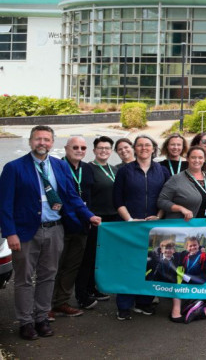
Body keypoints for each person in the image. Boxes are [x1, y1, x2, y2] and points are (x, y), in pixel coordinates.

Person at [0, 126, 100, 341]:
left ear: (52, 143)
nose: (42, 143)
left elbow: (71, 196)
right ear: (30, 141)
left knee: (48, 276)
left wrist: (88, 215)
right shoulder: (13, 168)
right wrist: (10, 233)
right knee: (24, 280)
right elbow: (4, 204)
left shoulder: (59, 166)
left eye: (46, 139)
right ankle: (26, 322)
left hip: (55, 230)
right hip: (26, 233)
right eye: (38, 139)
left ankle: (41, 317)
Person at [157, 145, 206, 322]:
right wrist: (180, 208)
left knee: (202, 266)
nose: (197, 161)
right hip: (184, 228)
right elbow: (162, 200)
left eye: (200, 158)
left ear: (204, 159)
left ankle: (197, 300)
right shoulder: (176, 179)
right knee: (181, 268)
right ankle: (176, 307)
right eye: (193, 157)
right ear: (188, 159)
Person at [113, 134, 169, 320]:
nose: (144, 148)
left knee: (151, 265)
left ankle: (144, 303)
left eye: (148, 145)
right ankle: (124, 306)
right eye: (140, 145)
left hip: (154, 226)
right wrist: (129, 220)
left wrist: (159, 216)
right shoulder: (125, 171)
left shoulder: (162, 171)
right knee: (129, 266)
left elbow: (166, 199)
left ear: (154, 149)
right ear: (134, 149)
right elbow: (117, 199)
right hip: (130, 226)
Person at [50, 136, 96, 318]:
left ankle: (61, 302)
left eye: (83, 147)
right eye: (75, 147)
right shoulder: (57, 168)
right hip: (61, 224)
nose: (79, 150)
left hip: (83, 226)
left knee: (71, 267)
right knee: (53, 267)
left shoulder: (88, 169)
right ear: (66, 148)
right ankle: (45, 306)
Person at [79, 136, 117, 306]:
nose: (104, 151)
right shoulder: (87, 168)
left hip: (112, 219)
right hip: (95, 219)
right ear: (94, 150)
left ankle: (94, 287)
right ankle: (83, 293)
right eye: (100, 148)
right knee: (89, 257)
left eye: (107, 148)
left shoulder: (114, 169)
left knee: (101, 257)